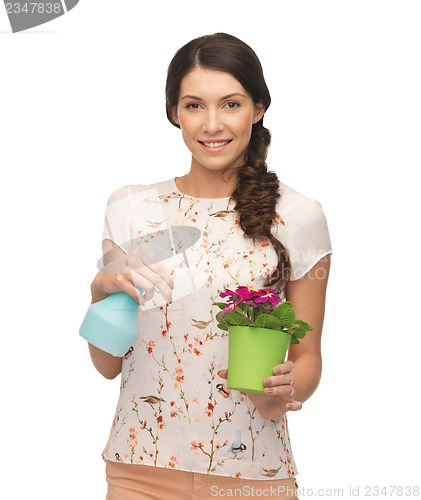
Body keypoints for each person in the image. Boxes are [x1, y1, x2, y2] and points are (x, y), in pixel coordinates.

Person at [87, 32, 332, 500]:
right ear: (174, 112)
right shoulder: (132, 208)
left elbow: (308, 358)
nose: (212, 124)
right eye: (195, 105)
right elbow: (107, 364)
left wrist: (278, 391)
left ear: (258, 108)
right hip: (139, 471)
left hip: (253, 474)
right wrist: (99, 295)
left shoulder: (299, 216)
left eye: (231, 104)